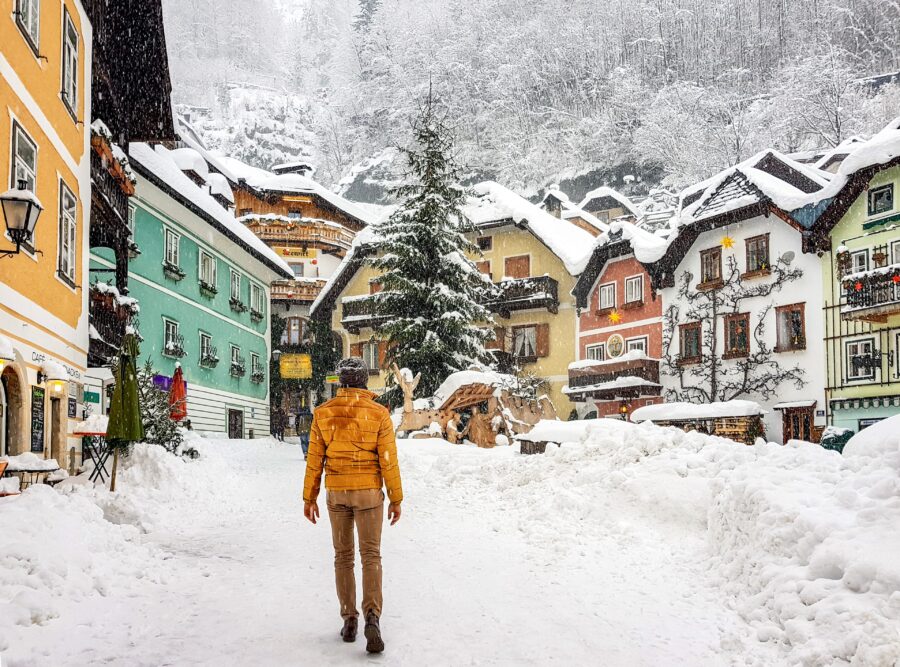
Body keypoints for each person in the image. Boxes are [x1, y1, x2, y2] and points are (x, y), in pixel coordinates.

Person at [302, 357, 403, 654]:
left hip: (337, 492)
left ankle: (349, 619)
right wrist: (396, 498)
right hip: (369, 493)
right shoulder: (379, 414)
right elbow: (389, 461)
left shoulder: (323, 413)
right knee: (370, 555)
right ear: (363, 381)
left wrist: (309, 497)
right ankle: (372, 615)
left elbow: (314, 460)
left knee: (343, 557)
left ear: (341, 381)